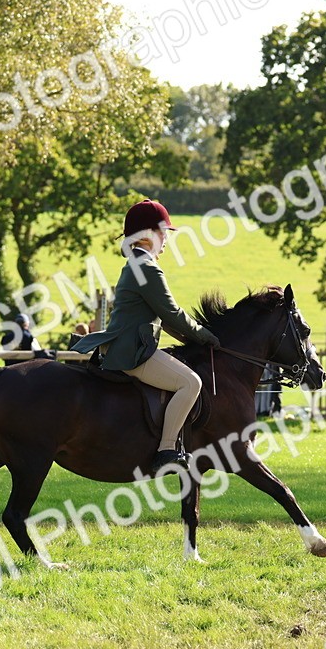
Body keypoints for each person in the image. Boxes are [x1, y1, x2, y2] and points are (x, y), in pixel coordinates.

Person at [71, 199, 220, 473]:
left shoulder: (136, 263)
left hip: (127, 345)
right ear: (148, 235)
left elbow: (163, 316)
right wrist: (207, 335)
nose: (166, 240)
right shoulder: (147, 268)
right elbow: (173, 313)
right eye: (164, 233)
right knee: (191, 383)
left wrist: (192, 337)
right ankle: (166, 450)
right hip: (132, 353)